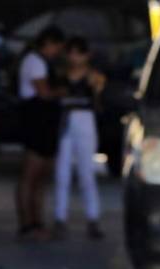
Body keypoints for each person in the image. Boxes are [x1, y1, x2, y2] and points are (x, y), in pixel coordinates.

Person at [53, 36, 105, 240]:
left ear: (87, 55)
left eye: (78, 53)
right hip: (66, 121)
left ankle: (93, 218)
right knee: (62, 172)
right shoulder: (61, 75)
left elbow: (99, 96)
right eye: (71, 53)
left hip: (84, 120)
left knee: (86, 172)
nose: (75, 57)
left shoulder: (93, 76)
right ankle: (60, 218)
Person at [15, 26, 65, 241]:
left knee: (41, 178)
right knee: (30, 176)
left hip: (46, 125)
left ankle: (37, 222)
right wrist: (61, 92)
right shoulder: (34, 61)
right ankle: (27, 224)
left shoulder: (44, 63)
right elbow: (43, 93)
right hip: (36, 123)